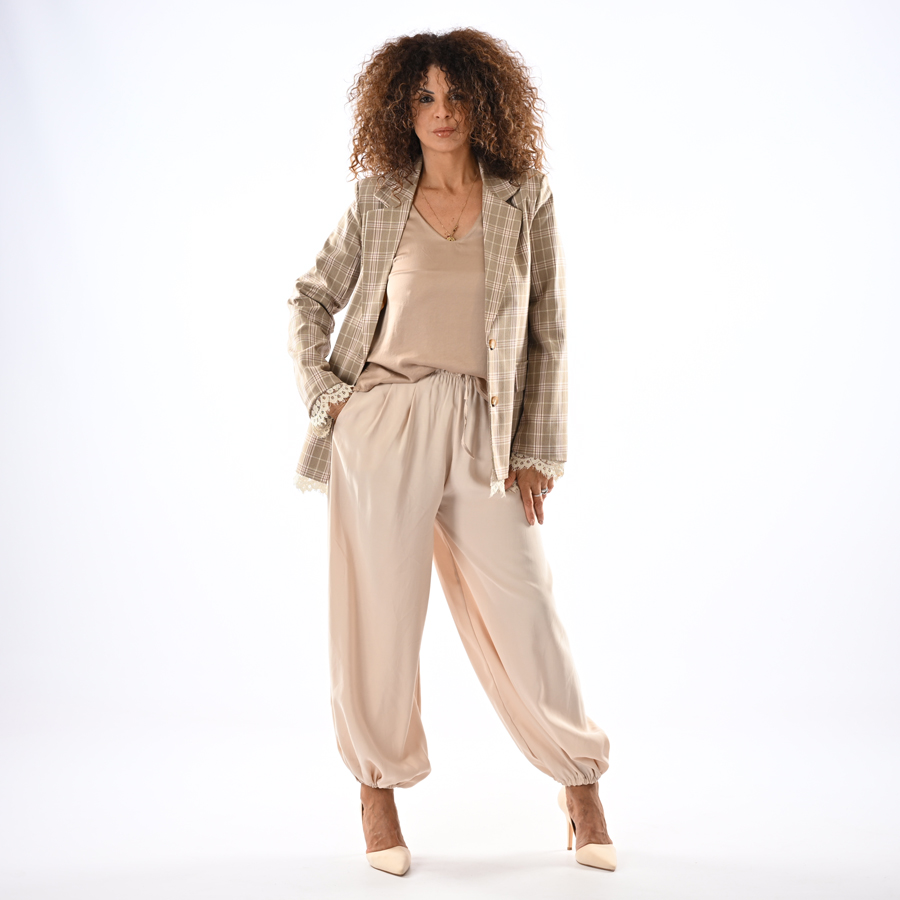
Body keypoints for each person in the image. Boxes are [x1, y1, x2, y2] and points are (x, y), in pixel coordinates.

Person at [287, 28, 615, 876]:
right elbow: (310, 298)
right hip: (383, 427)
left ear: (485, 103)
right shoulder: (377, 200)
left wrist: (538, 449)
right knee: (380, 616)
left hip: (486, 431)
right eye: (425, 96)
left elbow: (548, 330)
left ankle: (579, 785)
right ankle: (377, 793)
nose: (442, 112)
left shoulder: (523, 196)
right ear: (401, 108)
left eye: (457, 94)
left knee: (526, 609)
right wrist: (331, 401)